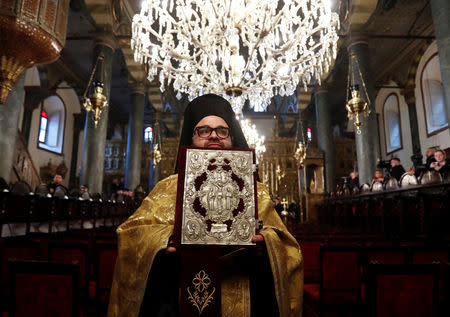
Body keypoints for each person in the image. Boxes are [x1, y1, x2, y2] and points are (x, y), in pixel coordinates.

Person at [108, 94, 303, 317]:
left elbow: (286, 246)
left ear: (231, 138)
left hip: (241, 288)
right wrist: (164, 242)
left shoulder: (256, 190)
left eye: (222, 131)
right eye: (204, 130)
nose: (214, 136)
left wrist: (265, 243)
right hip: (179, 291)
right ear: (191, 138)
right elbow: (131, 234)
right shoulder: (167, 187)